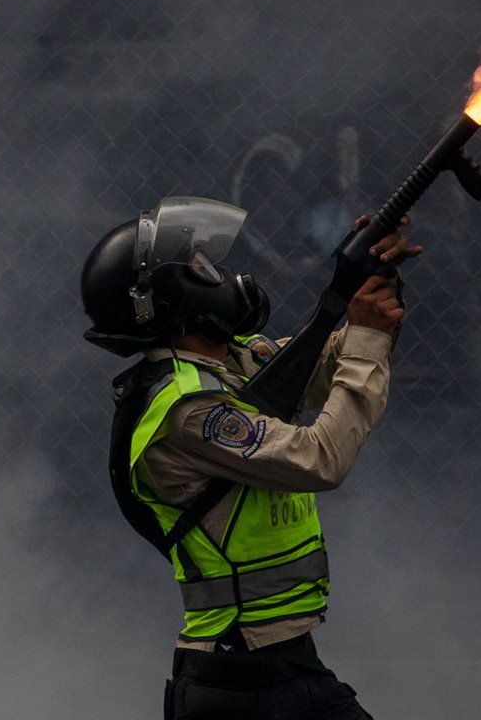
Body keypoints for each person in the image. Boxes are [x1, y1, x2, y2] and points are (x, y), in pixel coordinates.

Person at [80, 196, 420, 719]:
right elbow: (321, 458)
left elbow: (331, 362)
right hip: (240, 678)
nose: (219, 275)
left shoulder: (228, 363)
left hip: (282, 664)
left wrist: (372, 284)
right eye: (199, 267)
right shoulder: (187, 409)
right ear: (170, 301)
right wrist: (367, 332)